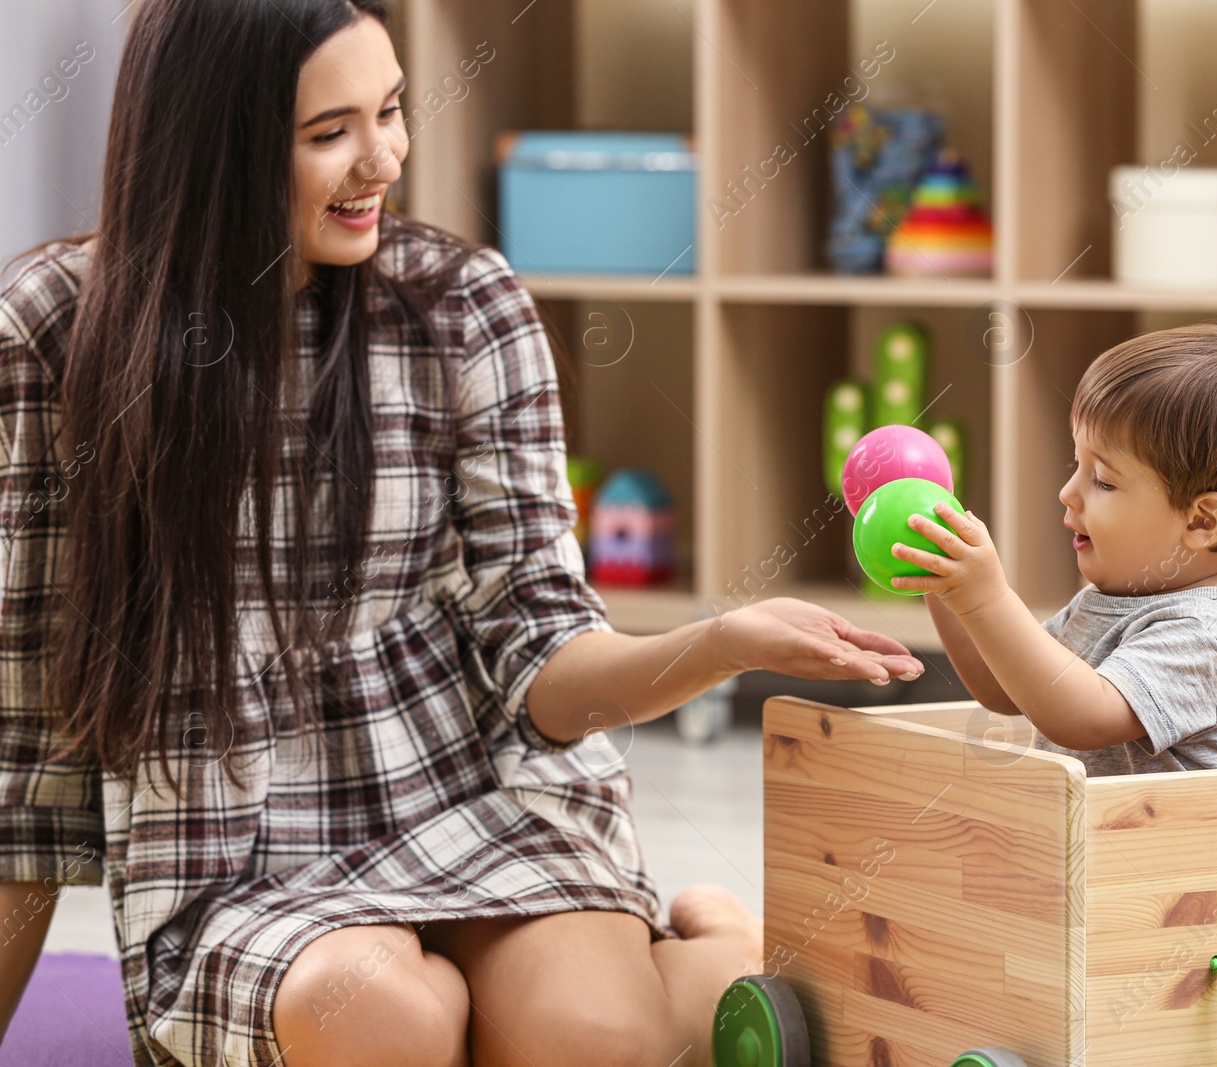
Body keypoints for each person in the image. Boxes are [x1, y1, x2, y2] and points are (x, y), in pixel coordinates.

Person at [0, 2, 925, 1065]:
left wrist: (723, 643)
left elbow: (543, 653)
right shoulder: (51, 329)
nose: (383, 157)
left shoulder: (465, 304)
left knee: (589, 1035)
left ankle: (711, 944)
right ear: (210, 142)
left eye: (391, 110)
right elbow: (22, 734)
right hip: (243, 849)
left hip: (480, 792)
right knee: (387, 1021)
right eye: (327, 134)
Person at [892, 321, 1217, 775]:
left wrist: (987, 597)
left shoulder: (1214, 634)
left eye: (1103, 480)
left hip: (1165, 846)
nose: (1068, 492)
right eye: (1076, 463)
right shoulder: (1106, 602)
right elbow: (1004, 688)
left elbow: (1081, 717)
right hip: (1088, 839)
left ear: (1202, 521)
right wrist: (949, 585)